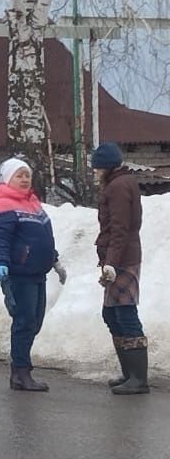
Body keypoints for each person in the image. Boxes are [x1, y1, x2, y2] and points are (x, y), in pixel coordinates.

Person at [0, 157, 65, 392]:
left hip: (37, 273)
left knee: (34, 322)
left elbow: (43, 239)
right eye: (19, 175)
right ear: (9, 179)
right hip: (19, 274)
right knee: (24, 322)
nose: (24, 179)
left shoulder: (33, 204)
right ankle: (20, 373)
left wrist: (55, 260)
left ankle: (21, 370)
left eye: (27, 175)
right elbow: (0, 238)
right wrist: (1, 263)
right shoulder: (3, 204)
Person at [92, 143, 150, 395]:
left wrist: (111, 264)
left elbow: (119, 229)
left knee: (125, 313)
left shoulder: (117, 187)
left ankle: (138, 379)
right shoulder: (120, 182)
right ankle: (130, 374)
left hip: (122, 259)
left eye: (96, 168)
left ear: (106, 167)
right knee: (112, 314)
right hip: (119, 257)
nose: (94, 172)